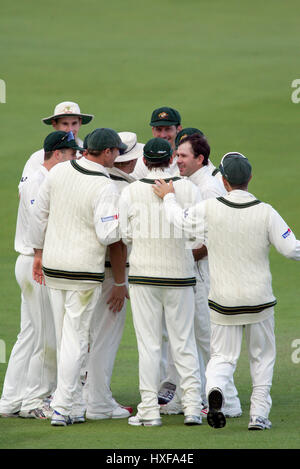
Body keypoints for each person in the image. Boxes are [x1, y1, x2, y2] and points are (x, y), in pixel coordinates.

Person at [153, 151, 300, 430]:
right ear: (250, 178)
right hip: (259, 301)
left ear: (224, 180)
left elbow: (181, 222)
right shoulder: (266, 211)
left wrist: (168, 197)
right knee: (262, 358)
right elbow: (291, 248)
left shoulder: (211, 208)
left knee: (221, 357)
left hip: (223, 301)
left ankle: (215, 390)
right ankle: (258, 416)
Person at [27, 128, 128, 427]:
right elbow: (108, 234)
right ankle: (62, 406)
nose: (118, 156)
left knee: (65, 337)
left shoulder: (59, 172)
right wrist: (128, 221)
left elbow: (38, 215)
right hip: (82, 272)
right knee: (75, 339)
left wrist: (38, 252)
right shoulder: (105, 186)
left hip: (54, 267)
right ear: (107, 152)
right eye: (117, 151)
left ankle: (68, 405)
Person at [119, 137, 203, 427]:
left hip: (143, 276)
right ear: (170, 160)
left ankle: (149, 411)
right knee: (183, 342)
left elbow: (125, 235)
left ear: (145, 161)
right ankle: (192, 406)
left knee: (150, 345)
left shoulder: (130, 191)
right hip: (180, 276)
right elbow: (198, 234)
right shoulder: (190, 188)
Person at [0, 131, 80, 419]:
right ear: (58, 154)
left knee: (30, 333)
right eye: (71, 154)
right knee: (46, 335)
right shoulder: (40, 180)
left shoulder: (36, 176)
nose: (74, 159)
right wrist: (39, 255)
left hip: (31, 261)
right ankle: (34, 400)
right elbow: (37, 224)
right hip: (37, 262)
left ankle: (10, 400)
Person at [161, 134, 242, 419]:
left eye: (183, 156)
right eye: (176, 155)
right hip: (194, 272)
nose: (177, 161)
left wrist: (182, 257)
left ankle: (228, 401)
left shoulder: (209, 188)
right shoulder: (194, 182)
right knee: (188, 338)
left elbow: (216, 236)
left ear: (200, 159)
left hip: (205, 274)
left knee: (207, 338)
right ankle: (188, 397)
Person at [84, 132, 144, 420]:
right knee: (105, 338)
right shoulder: (121, 187)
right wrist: (120, 282)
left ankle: (84, 398)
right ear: (128, 160)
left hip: (87, 271)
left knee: (87, 336)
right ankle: (98, 403)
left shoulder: (88, 176)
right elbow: (117, 241)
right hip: (111, 273)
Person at [18, 101, 93, 191]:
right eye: (65, 124)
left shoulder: (89, 154)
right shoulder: (37, 157)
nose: (70, 129)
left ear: (80, 123)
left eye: (74, 123)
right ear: (54, 124)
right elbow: (24, 192)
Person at [131, 106, 182, 180]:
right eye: (159, 129)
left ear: (179, 129)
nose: (163, 135)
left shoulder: (188, 158)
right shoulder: (140, 162)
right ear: (153, 130)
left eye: (168, 129)